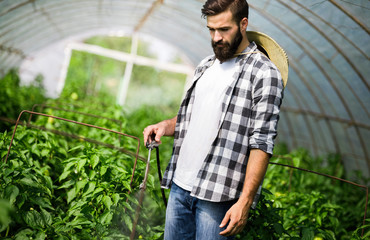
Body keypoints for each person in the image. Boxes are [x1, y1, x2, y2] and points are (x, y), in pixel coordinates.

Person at [143, 0, 286, 239]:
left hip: (217, 195)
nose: (216, 37)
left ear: (243, 24)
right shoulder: (206, 65)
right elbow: (191, 118)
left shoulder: (264, 73)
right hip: (180, 185)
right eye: (211, 29)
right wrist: (165, 126)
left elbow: (261, 142)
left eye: (224, 29)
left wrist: (245, 202)